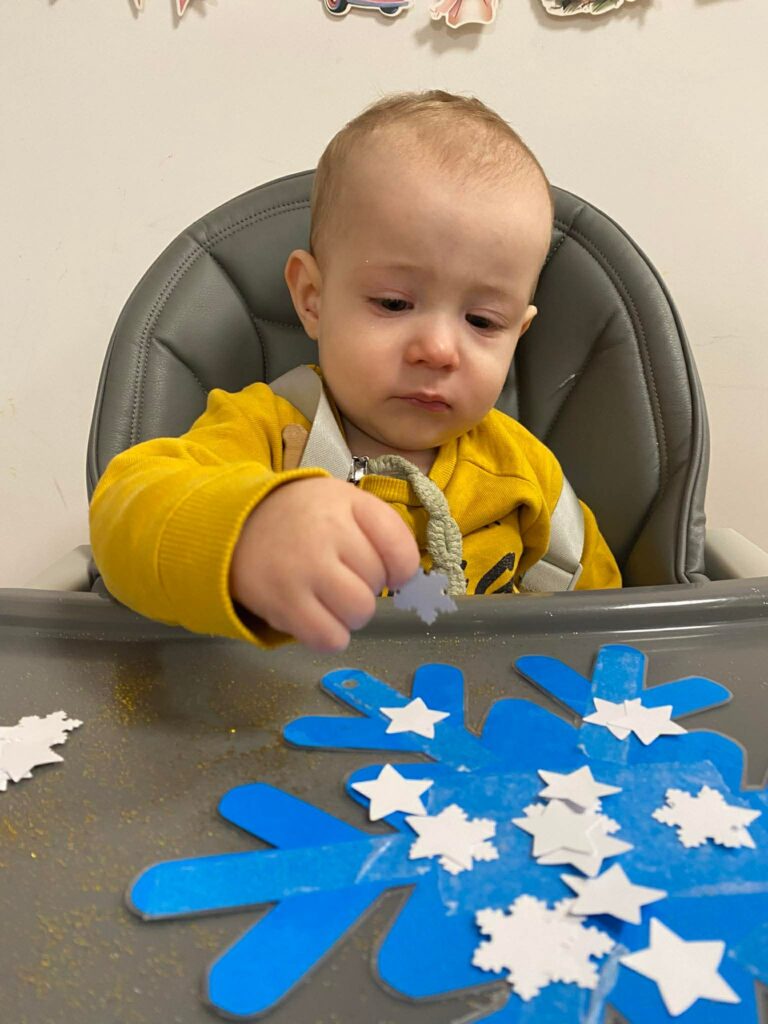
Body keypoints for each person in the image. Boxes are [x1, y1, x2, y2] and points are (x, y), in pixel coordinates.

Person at [89, 90, 621, 653]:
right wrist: (246, 531)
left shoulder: (525, 474)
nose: (439, 349)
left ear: (519, 333)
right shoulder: (266, 434)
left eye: (483, 321)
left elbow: (615, 625)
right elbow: (122, 515)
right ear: (312, 298)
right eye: (394, 303)